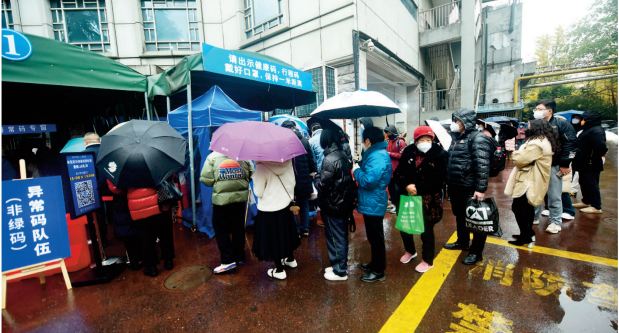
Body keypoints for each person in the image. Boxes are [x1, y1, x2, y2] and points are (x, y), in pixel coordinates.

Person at [443, 109, 495, 265]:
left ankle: (476, 252)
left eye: (457, 120)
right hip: (456, 186)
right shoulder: (457, 138)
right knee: (460, 216)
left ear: (466, 122)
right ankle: (462, 242)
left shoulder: (478, 139)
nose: (454, 124)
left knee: (476, 220)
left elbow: (483, 165)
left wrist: (480, 189)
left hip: (470, 187)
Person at [394, 126, 447, 273]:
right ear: (416, 141)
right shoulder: (409, 151)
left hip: (429, 198)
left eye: (428, 139)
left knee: (426, 229)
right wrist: (407, 185)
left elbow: (441, 179)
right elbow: (399, 173)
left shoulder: (440, 154)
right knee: (406, 225)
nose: (425, 142)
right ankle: (410, 251)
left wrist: (418, 187)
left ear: (432, 140)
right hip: (409, 195)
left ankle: (428, 260)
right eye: (422, 139)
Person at [504, 119, 556, 247]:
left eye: (529, 126)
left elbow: (520, 160)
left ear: (536, 128)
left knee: (519, 208)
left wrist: (514, 152)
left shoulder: (536, 144)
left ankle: (525, 236)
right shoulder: (541, 141)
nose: (526, 128)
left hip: (529, 181)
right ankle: (526, 232)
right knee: (526, 208)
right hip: (531, 179)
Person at [200, 151, 253, 274]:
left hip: (221, 202)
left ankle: (227, 261)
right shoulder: (244, 156)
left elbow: (206, 180)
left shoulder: (212, 157)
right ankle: (239, 257)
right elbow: (250, 174)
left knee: (221, 230)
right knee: (238, 228)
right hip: (240, 200)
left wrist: (220, 180)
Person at [314, 127, 356, 281]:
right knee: (340, 235)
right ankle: (338, 264)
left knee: (335, 236)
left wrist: (316, 178)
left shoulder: (330, 159)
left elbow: (323, 186)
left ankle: (340, 270)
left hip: (333, 204)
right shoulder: (342, 154)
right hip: (342, 202)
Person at [531, 100, 577, 234]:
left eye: (539, 109)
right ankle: (534, 217)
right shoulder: (535, 124)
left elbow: (571, 144)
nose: (536, 111)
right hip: (537, 164)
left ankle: (555, 222)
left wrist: (564, 163)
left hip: (554, 165)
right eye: (536, 109)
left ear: (549, 111)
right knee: (535, 192)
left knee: (554, 195)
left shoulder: (561, 124)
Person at [353, 126, 392, 282]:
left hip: (373, 201)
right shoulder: (376, 154)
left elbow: (369, 180)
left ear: (368, 141)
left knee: (376, 238)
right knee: (373, 236)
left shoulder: (377, 156)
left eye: (364, 140)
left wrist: (356, 170)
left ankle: (378, 270)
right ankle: (374, 263)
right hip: (372, 201)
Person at [251, 160, 300, 280]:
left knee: (274, 238)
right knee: (286, 233)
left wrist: (254, 177)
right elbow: (292, 182)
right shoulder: (288, 162)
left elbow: (258, 192)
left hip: (269, 209)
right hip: (286, 205)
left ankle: (279, 270)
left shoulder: (261, 167)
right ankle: (290, 259)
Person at [126, 183, 175, 277]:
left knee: (146, 238)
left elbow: (115, 188)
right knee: (165, 233)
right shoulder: (154, 167)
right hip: (157, 202)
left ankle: (151, 268)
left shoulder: (125, 169)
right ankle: (168, 261)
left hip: (137, 206)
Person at [281, 120, 316, 237]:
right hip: (305, 179)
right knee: (304, 204)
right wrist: (312, 173)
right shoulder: (305, 141)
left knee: (292, 205)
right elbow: (312, 160)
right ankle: (305, 229)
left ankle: (296, 231)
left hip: (290, 180)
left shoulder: (284, 143)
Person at [572, 111, 608, 214]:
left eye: (583, 119)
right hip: (583, 162)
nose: (581, 121)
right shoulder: (587, 129)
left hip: (591, 163)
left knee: (591, 184)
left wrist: (594, 157)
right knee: (583, 182)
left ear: (589, 120)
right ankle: (586, 201)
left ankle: (596, 206)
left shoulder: (597, 131)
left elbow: (601, 147)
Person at [384, 125, 407, 214]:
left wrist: (390, 153)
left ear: (392, 132)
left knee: (398, 191)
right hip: (390, 172)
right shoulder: (388, 142)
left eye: (388, 132)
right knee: (392, 191)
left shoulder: (400, 142)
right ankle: (395, 205)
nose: (386, 134)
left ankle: (400, 208)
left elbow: (403, 156)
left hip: (398, 172)